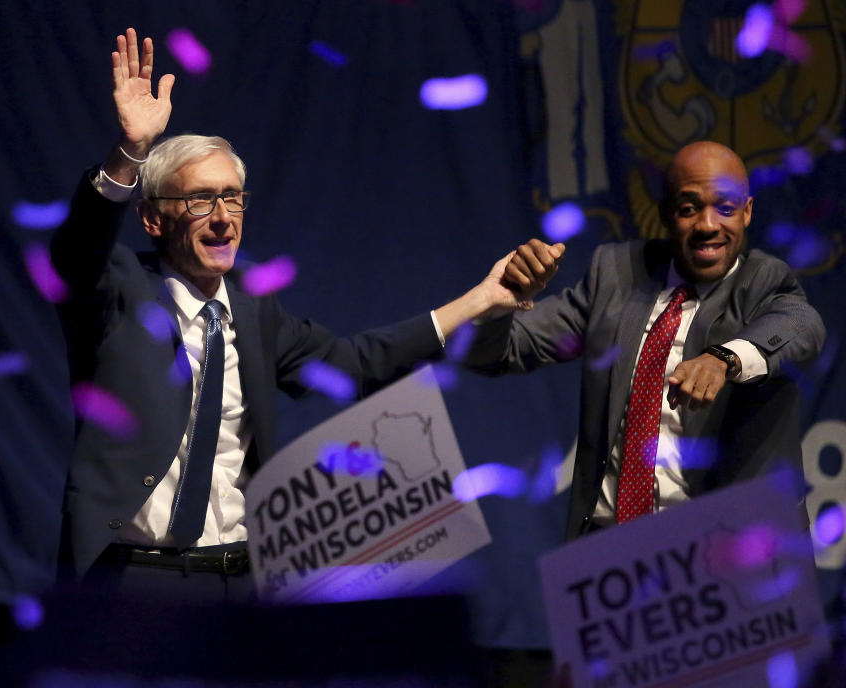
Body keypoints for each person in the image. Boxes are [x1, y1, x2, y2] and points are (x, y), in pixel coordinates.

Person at [50, 29, 557, 600]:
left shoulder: (254, 308)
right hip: (128, 582)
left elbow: (356, 364)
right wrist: (131, 152)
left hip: (238, 583)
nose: (223, 218)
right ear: (153, 219)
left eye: (233, 197)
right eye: (200, 200)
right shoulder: (117, 291)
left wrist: (481, 299)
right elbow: (76, 250)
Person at [465, 139, 825, 539]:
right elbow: (498, 352)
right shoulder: (617, 274)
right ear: (666, 214)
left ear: (747, 212)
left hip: (725, 552)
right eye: (689, 208)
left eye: (725, 207)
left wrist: (723, 359)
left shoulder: (764, 281)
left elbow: (801, 325)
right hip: (609, 553)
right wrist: (501, 303)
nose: (708, 225)